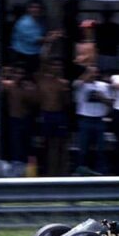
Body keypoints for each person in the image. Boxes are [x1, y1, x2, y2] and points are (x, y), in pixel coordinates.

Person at [36, 32, 72, 176]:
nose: (56, 68)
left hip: (59, 115)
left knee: (60, 145)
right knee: (48, 145)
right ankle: (49, 173)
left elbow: (67, 103)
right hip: (46, 115)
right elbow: (42, 59)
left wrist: (65, 92)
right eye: (54, 65)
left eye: (59, 66)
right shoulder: (43, 79)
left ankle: (61, 173)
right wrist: (48, 43)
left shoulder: (63, 83)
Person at [73, 65, 112, 175]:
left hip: (99, 120)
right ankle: (80, 170)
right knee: (83, 148)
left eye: (95, 72)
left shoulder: (103, 86)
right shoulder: (81, 85)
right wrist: (86, 76)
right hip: (85, 119)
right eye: (90, 72)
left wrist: (102, 97)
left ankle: (100, 171)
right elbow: (75, 85)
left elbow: (110, 103)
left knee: (101, 149)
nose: (93, 75)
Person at [10, 0, 47, 74]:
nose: (36, 9)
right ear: (28, 9)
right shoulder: (23, 22)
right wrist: (51, 38)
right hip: (22, 54)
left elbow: (44, 34)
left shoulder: (41, 21)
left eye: (38, 7)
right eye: (33, 7)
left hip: (34, 54)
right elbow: (37, 40)